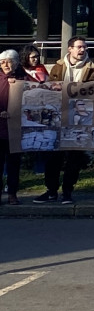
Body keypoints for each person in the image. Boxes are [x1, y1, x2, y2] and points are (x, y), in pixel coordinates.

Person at [34, 37, 94, 204]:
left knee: (74, 157)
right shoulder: (58, 67)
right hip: (59, 118)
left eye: (84, 47)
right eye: (79, 47)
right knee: (53, 156)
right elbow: (49, 88)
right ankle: (51, 190)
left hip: (80, 119)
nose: (82, 50)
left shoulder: (93, 70)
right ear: (69, 49)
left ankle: (67, 191)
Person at [0, 50, 27, 204]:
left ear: (16, 63)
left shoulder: (24, 79)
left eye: (9, 61)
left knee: (14, 164)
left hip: (16, 130)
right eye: (2, 62)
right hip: (0, 128)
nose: (6, 65)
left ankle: (12, 193)